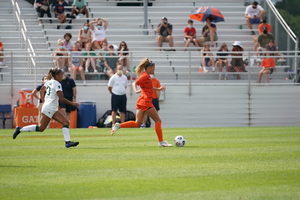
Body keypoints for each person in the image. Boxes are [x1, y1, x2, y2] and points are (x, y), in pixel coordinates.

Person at [110, 58, 172, 147]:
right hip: (146, 102)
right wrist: (135, 90)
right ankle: (161, 142)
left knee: (137, 123)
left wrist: (157, 89)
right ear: (148, 68)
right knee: (158, 121)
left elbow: (147, 87)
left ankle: (119, 125)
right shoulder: (145, 76)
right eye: (153, 67)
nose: (154, 69)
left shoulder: (145, 75)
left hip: (141, 101)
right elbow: (134, 83)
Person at [13, 68, 80, 148]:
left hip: (50, 107)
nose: (62, 76)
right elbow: (61, 98)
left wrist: (43, 101)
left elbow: (41, 90)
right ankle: (20, 129)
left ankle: (68, 142)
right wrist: (72, 103)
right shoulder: (57, 84)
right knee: (41, 128)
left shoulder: (49, 82)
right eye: (61, 74)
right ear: (56, 75)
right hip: (50, 107)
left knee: (65, 122)